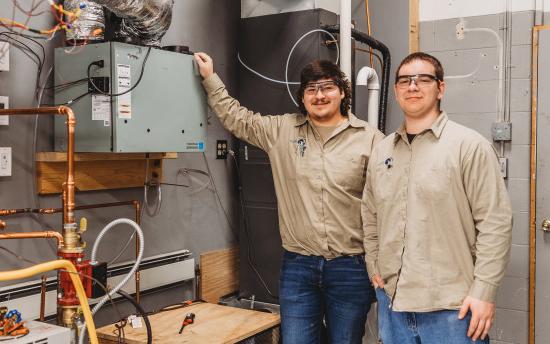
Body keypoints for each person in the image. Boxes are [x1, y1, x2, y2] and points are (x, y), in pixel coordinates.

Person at [194, 52, 384, 343]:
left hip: (350, 267)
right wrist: (210, 78)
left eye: (328, 87)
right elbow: (237, 119)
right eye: (311, 89)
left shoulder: (370, 139)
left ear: (342, 92)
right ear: (303, 97)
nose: (319, 95)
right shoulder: (282, 130)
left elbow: (386, 203)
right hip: (299, 266)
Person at [362, 52, 513, 344]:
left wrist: (484, 291)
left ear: (440, 88)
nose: (413, 86)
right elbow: (370, 214)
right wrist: (373, 264)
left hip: (452, 309)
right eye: (404, 80)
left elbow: (495, 223)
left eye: (423, 79)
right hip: (393, 303)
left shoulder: (469, 147)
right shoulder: (382, 152)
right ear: (395, 91)